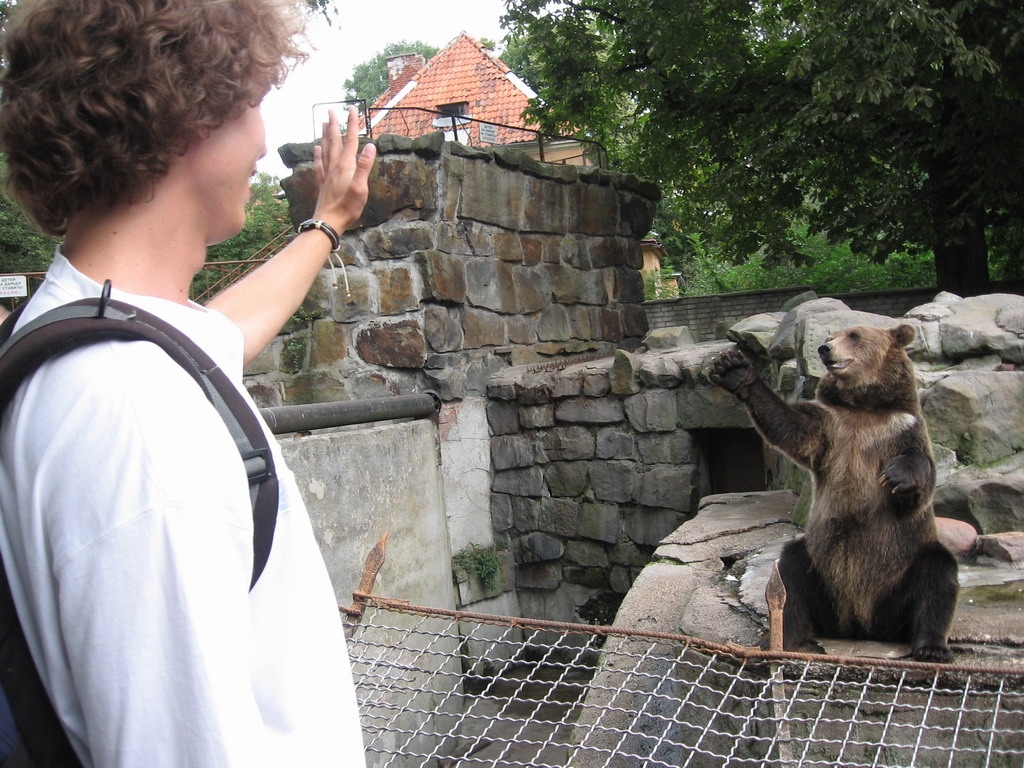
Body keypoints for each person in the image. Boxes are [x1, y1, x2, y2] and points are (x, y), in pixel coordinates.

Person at [0, 1, 377, 766]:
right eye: (249, 105)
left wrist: (328, 223)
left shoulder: (81, 333)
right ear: (185, 119)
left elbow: (218, 333)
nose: (263, 141)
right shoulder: (139, 420)